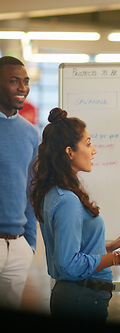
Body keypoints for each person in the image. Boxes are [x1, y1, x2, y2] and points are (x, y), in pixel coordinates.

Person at [29, 107, 120, 323]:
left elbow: (69, 253)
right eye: (88, 144)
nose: (94, 151)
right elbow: (69, 265)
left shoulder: (53, 192)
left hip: (77, 296)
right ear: (69, 152)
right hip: (82, 299)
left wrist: (107, 248)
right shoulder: (67, 200)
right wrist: (118, 258)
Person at [0, 56, 38, 309]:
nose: (22, 87)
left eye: (25, 81)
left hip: (18, 245)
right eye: (14, 81)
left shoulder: (30, 132)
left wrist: (30, 244)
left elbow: (30, 189)